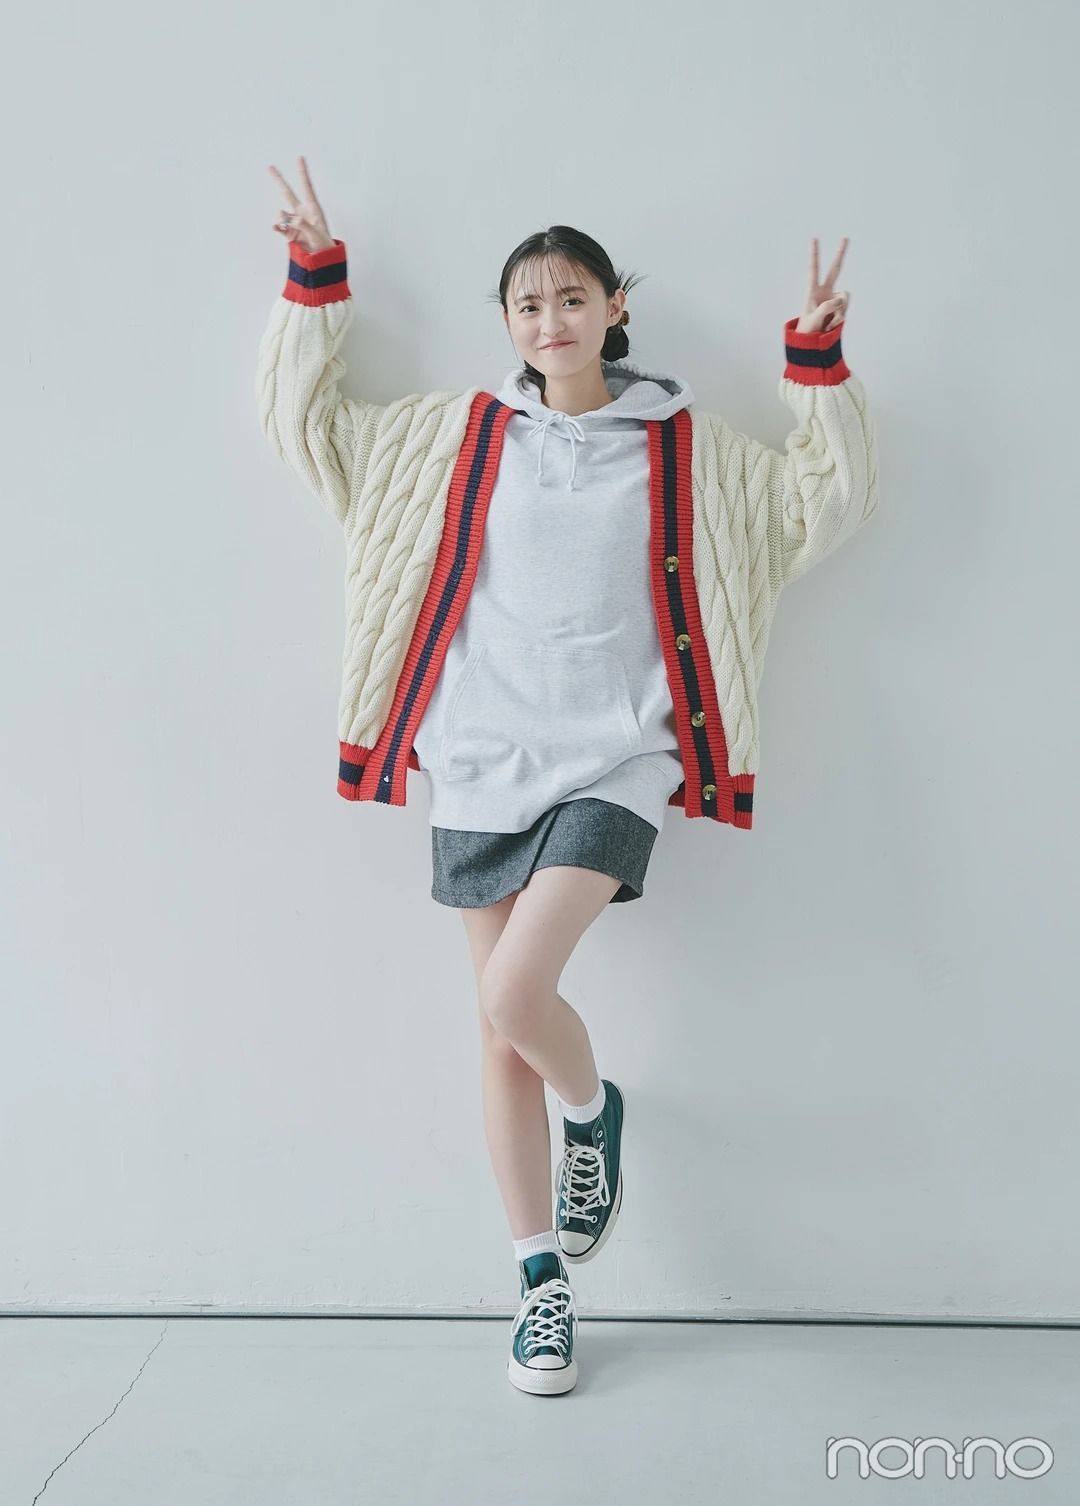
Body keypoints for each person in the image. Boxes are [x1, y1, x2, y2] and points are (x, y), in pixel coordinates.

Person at [261, 155, 869, 1397]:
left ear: (614, 309)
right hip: (479, 757)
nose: (553, 319)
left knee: (514, 996)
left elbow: (822, 505)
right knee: (497, 1035)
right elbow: (305, 431)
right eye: (530, 303)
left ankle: (592, 1112)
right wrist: (314, 286)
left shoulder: (689, 451)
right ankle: (541, 1286)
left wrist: (818, 369)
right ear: (507, 322)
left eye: (574, 297)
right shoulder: (448, 437)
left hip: (618, 757)